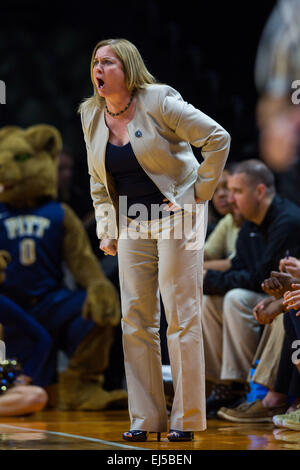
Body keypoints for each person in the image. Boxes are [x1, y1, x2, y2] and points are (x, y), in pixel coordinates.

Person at [79, 38, 230, 441]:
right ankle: (145, 419)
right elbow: (98, 182)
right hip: (132, 222)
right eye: (95, 61)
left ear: (126, 69)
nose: (98, 67)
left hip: (177, 215)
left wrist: (197, 193)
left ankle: (186, 418)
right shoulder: (90, 115)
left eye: (107, 61)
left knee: (180, 316)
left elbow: (218, 138)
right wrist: (106, 228)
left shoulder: (159, 100)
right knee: (135, 320)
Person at [202, 159, 300, 416]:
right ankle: (226, 385)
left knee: (236, 298)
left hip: (282, 293)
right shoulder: (248, 222)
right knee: (209, 301)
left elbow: (259, 277)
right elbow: (239, 267)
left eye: (236, 191)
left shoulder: (287, 222)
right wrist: (205, 280)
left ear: (259, 192)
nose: (230, 198)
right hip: (272, 292)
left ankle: (253, 389)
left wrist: (208, 279)